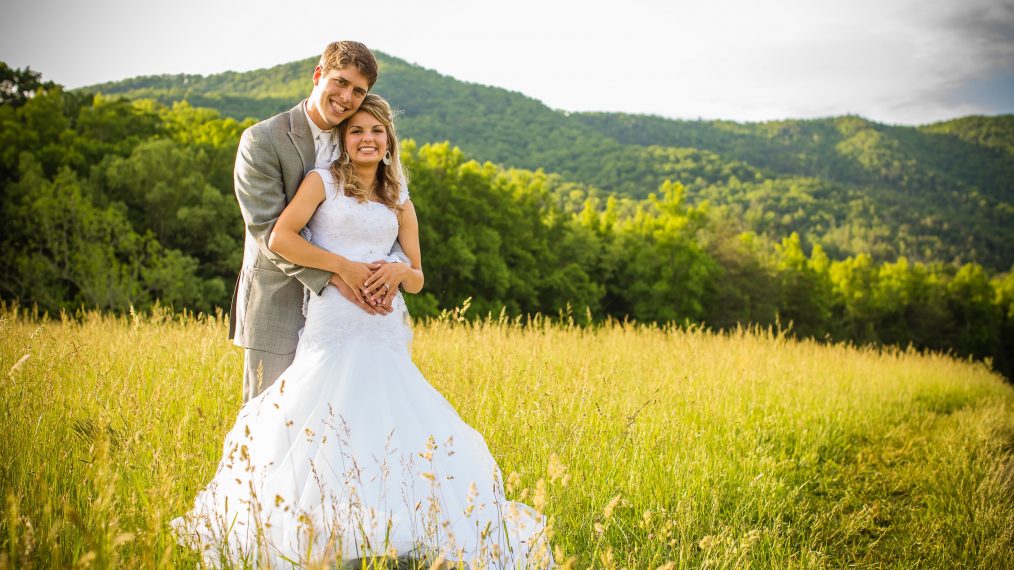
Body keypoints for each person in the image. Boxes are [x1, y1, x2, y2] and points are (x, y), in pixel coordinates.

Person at [172, 95, 552, 567]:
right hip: (334, 318)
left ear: (389, 140)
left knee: (388, 420)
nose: (367, 139)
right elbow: (280, 237)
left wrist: (396, 274)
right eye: (356, 131)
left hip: (384, 327)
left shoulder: (399, 201)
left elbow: (417, 275)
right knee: (322, 416)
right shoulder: (321, 183)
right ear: (343, 141)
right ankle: (310, 531)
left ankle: (390, 528)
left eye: (376, 131)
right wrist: (344, 270)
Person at [229, 40, 405, 403]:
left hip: (352, 314)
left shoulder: (357, 136)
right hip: (279, 301)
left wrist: (393, 270)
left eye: (359, 91)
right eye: (340, 82)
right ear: (318, 75)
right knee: (269, 419)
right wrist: (339, 275)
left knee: (342, 422)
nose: (346, 97)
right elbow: (267, 233)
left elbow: (383, 214)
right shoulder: (262, 140)